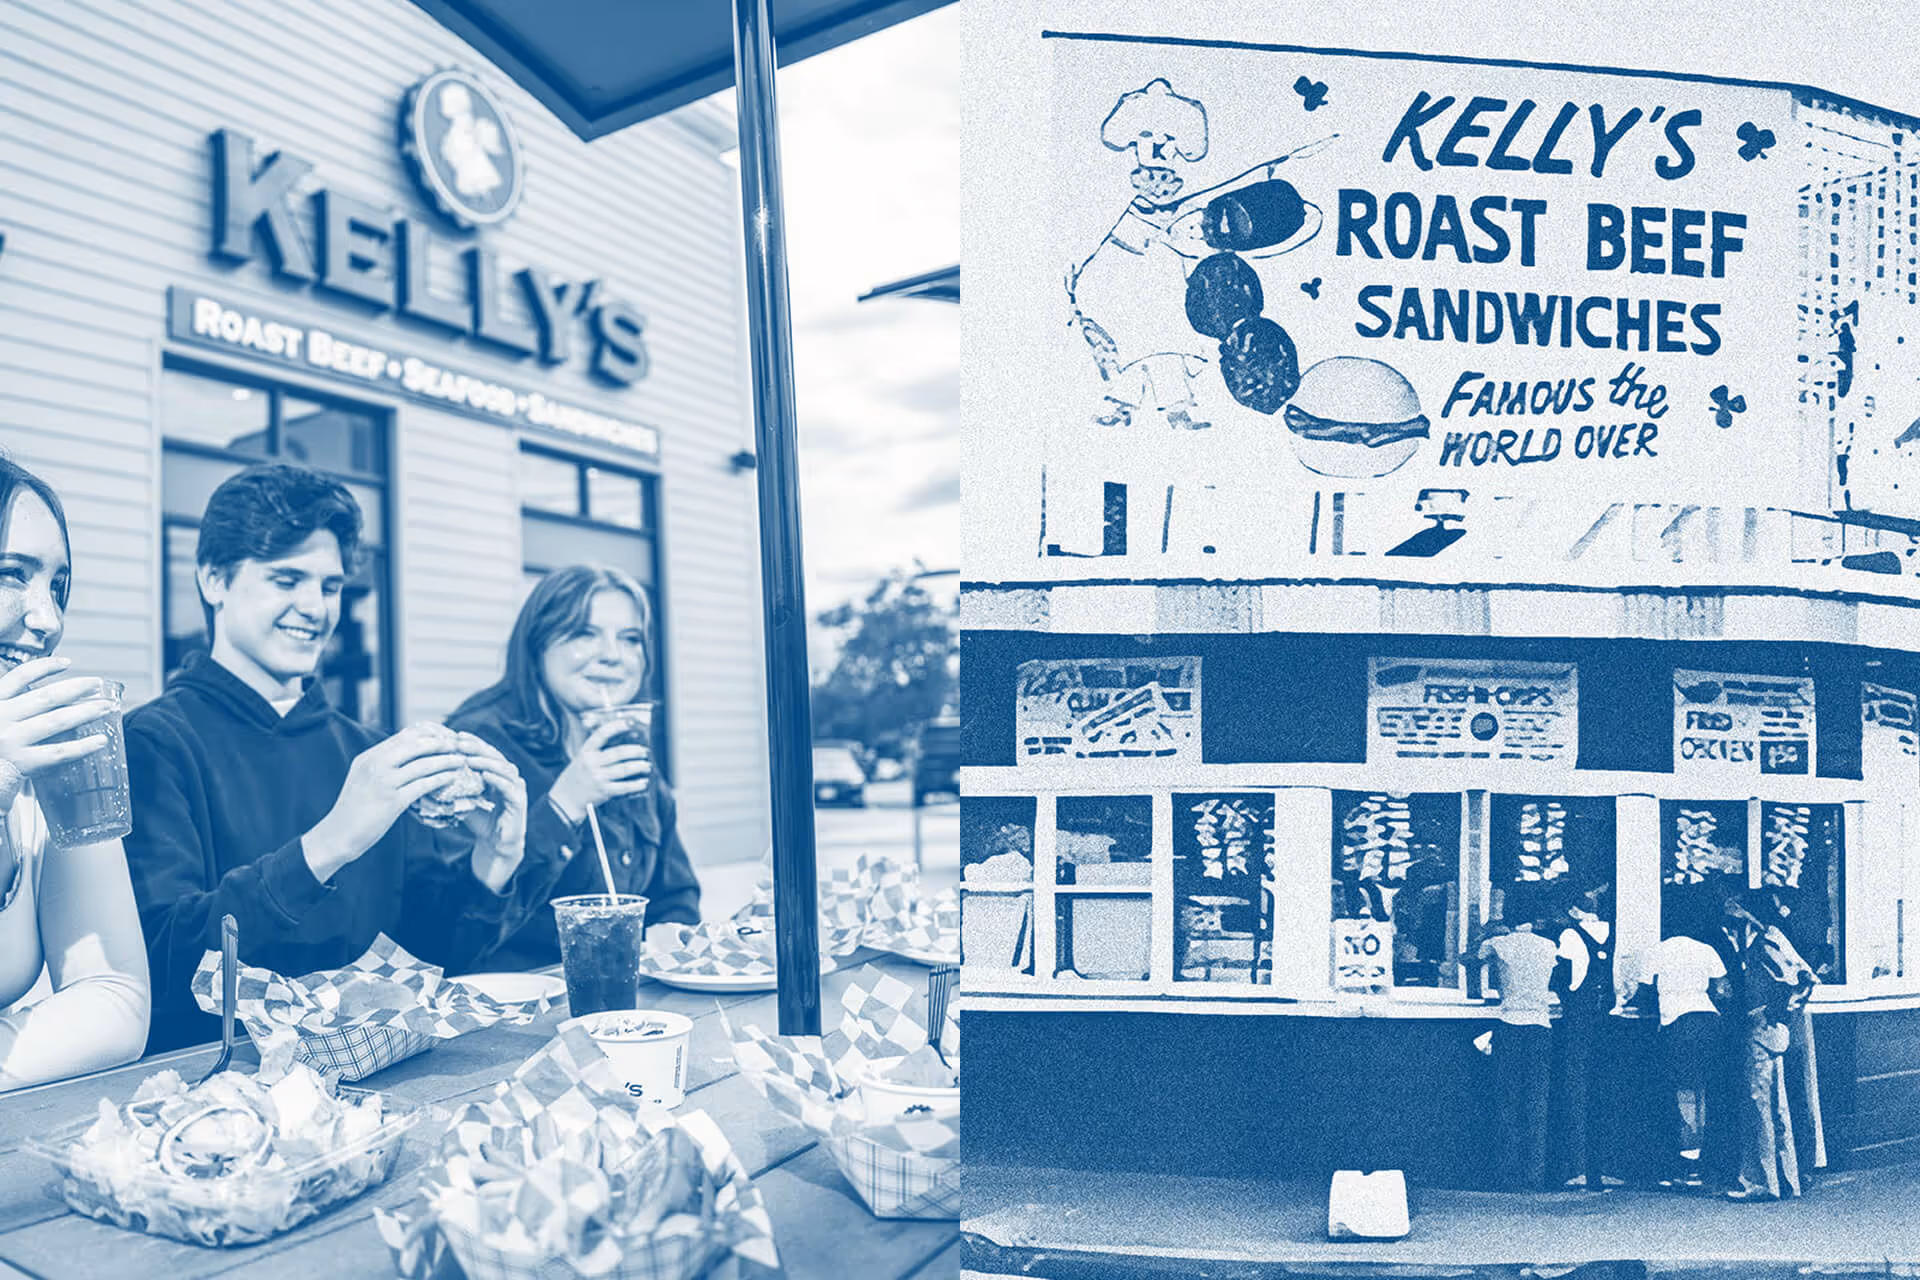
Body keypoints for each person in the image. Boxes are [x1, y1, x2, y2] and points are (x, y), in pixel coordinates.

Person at [123, 464, 537, 1052]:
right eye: (286, 580)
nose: (315, 607)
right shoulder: (152, 742)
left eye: (330, 586)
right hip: (221, 1094)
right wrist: (329, 844)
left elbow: (426, 960)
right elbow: (160, 963)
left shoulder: (367, 749)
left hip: (387, 1085)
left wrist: (492, 860)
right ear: (213, 580)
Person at [446, 565, 700, 970]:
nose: (613, 656)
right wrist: (566, 804)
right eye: (584, 634)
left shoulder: (626, 741)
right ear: (537, 645)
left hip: (624, 1003)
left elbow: (677, 897)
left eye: (630, 639)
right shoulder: (477, 746)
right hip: (506, 1012)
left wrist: (670, 961)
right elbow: (449, 927)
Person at [0, 459, 150, 1088]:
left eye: (57, 586)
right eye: (13, 575)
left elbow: (116, 998)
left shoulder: (51, 757)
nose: (49, 619)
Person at [1722, 887, 1818, 1200]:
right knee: (1778, 1108)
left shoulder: (1763, 944)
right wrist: (1788, 1014)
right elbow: (1806, 979)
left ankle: (1761, 1182)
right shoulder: (1777, 938)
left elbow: (1794, 982)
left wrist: (1765, 1014)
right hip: (1777, 1031)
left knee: (1758, 1104)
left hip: (1761, 1030)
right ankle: (1788, 1179)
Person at [1634, 921, 1729, 1188]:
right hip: (1710, 1019)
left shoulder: (1656, 951)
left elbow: (1642, 994)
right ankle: (1708, 1160)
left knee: (1684, 1092)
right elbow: (1723, 990)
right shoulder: (1706, 949)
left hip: (1679, 1024)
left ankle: (1689, 1165)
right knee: (1706, 1091)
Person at [1477, 914, 1561, 1191]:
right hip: (1541, 1025)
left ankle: (1507, 1175)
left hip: (1510, 1024)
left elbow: (1468, 959)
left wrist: (1486, 931)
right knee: (1537, 1102)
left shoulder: (1500, 943)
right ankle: (1535, 1174)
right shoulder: (1549, 945)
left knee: (1507, 1100)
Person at [1550, 884, 1623, 1190]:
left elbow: (1561, 978)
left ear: (1574, 911)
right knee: (1604, 1093)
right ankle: (1604, 1166)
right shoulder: (1614, 933)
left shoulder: (1569, 936)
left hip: (1578, 1021)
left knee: (1576, 1091)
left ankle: (1578, 1167)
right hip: (1606, 1022)